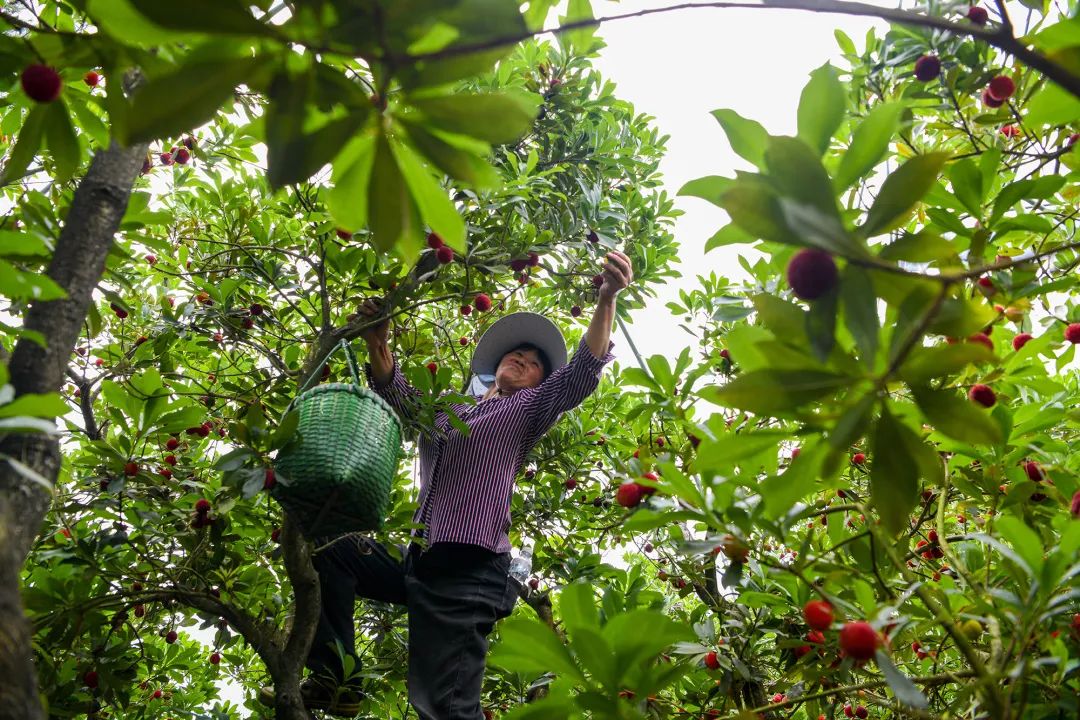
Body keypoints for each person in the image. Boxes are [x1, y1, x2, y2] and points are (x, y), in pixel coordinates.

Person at [260, 250, 633, 718]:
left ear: (541, 383)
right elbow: (398, 393)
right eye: (516, 353)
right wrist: (378, 339)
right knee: (330, 543)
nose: (522, 357)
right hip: (421, 560)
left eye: (534, 361)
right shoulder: (449, 412)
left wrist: (606, 300)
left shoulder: (528, 411)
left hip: (469, 569)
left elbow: (580, 373)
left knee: (444, 708)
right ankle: (338, 679)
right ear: (492, 369)